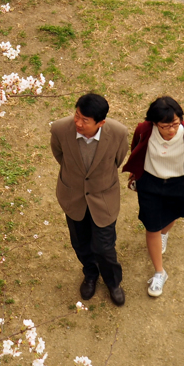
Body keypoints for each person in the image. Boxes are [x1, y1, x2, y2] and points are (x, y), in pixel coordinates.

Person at [122, 96, 184, 298]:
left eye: (175, 124)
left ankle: (164, 234)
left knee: (173, 216)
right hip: (150, 184)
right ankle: (159, 273)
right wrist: (135, 174)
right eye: (165, 126)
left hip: (177, 183)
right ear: (155, 123)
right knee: (152, 227)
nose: (171, 130)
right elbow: (136, 149)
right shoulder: (144, 130)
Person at [50, 93, 131, 306]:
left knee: (104, 247)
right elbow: (59, 156)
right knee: (80, 242)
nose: (78, 122)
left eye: (85, 120)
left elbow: (117, 160)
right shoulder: (59, 129)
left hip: (103, 199)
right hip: (73, 197)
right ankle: (90, 274)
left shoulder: (118, 133)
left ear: (101, 123)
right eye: (77, 115)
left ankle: (113, 282)